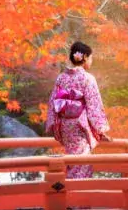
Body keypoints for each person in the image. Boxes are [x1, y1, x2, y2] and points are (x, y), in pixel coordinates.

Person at [45, 41, 111, 179]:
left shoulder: (61, 78)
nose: (91, 61)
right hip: (80, 125)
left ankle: (72, 193)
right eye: (91, 58)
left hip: (65, 125)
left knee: (72, 160)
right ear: (85, 57)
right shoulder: (88, 78)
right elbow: (94, 105)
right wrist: (101, 130)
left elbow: (53, 103)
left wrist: (53, 125)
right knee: (82, 161)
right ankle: (78, 195)